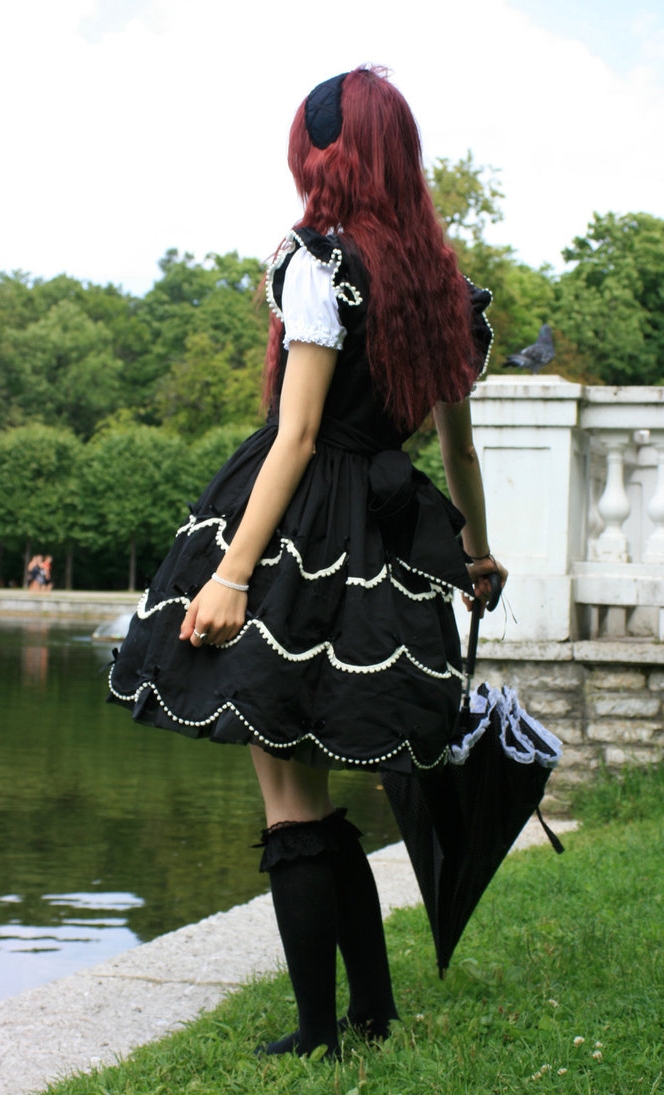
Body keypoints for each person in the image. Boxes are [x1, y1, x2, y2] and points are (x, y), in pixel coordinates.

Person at [108, 66, 507, 1060]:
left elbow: (295, 438)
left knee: (289, 790)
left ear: (323, 154)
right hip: (391, 537)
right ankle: (366, 1016)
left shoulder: (320, 262)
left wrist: (230, 576)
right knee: (319, 789)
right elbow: (457, 451)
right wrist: (477, 553)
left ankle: (320, 1030)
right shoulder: (447, 291)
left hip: (304, 536)